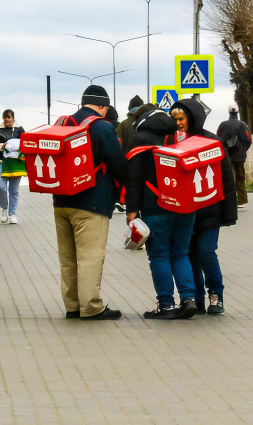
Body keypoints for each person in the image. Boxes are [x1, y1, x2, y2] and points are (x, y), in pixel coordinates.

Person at [53, 85, 127, 320]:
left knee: (68, 260)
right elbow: (118, 164)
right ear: (102, 106)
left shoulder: (64, 123)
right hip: (92, 203)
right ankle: (92, 307)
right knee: (89, 258)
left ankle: (73, 306)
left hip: (61, 200)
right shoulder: (103, 127)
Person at [126, 105, 198, 320]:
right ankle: (188, 299)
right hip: (185, 206)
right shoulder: (181, 137)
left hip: (157, 206)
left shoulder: (141, 139)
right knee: (181, 253)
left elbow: (134, 179)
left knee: (159, 256)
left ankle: (166, 305)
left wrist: (132, 211)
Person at [170, 99, 237, 315]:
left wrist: (228, 212)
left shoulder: (212, 141)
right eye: (175, 119)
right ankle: (197, 299)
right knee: (189, 255)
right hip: (183, 212)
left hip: (209, 211)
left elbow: (227, 178)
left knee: (206, 253)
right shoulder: (171, 141)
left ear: (193, 117)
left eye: (181, 119)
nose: (178, 123)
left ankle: (216, 296)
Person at [0, 109, 25, 224]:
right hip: (0, 162)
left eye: (9, 117)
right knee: (1, 187)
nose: (7, 119)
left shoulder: (20, 129)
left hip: (15, 164)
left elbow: (27, 143)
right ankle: (4, 208)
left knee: (14, 190)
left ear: (13, 118)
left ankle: (12, 213)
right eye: (5, 117)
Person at [217, 105, 252, 207]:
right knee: (240, 177)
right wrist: (243, 149)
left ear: (229, 113)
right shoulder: (242, 125)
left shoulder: (222, 125)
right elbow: (248, 139)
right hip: (239, 156)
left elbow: (217, 138)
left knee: (227, 177)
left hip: (225, 155)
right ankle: (241, 200)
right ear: (237, 112)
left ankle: (228, 200)